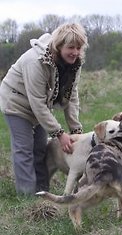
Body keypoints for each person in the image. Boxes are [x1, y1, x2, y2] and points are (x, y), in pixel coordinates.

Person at [0, 22, 88, 195]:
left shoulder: (74, 63)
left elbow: (71, 96)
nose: (75, 52)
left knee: (40, 148)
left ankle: (42, 193)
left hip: (39, 105)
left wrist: (75, 130)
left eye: (79, 47)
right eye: (71, 47)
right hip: (16, 103)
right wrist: (59, 133)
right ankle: (27, 196)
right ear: (59, 45)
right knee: (24, 149)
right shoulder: (35, 61)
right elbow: (37, 103)